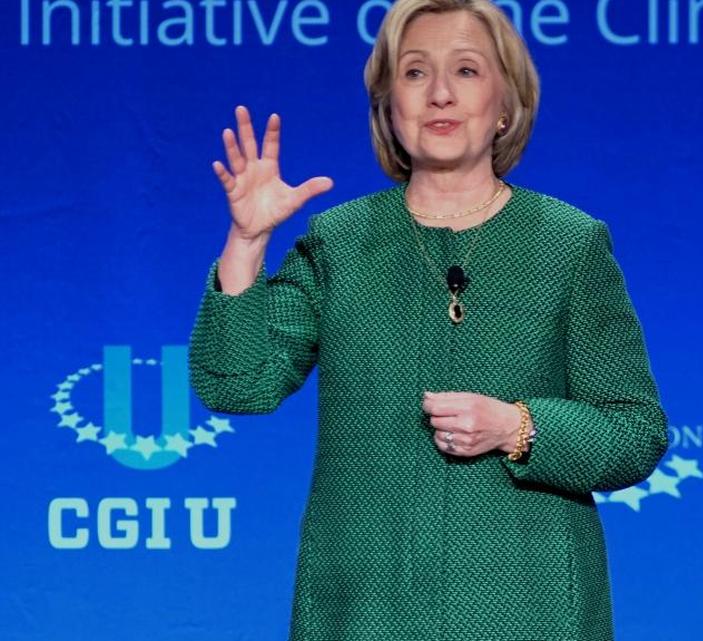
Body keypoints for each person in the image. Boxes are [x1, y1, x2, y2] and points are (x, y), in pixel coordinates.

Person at [188, 0, 668, 639]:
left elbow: (635, 432)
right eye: (415, 74)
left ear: (506, 106)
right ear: (388, 107)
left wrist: (518, 426)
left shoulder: (568, 245)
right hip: (361, 613)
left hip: (533, 610)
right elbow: (237, 384)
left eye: (466, 71)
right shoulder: (339, 242)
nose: (439, 94)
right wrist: (246, 243)